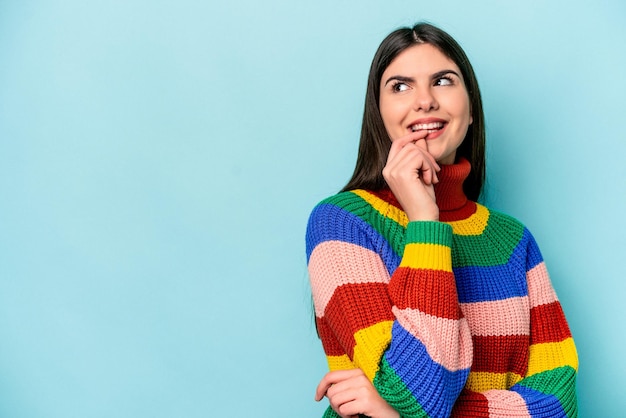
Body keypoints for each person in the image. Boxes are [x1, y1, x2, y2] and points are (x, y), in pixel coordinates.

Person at [305, 22, 578, 418]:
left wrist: (397, 410)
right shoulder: (342, 224)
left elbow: (560, 403)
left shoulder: (512, 240)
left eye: (443, 81)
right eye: (400, 86)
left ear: (470, 111)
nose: (425, 101)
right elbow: (419, 392)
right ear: (379, 115)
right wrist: (425, 221)